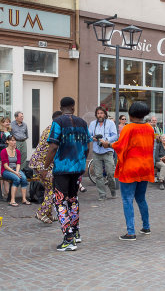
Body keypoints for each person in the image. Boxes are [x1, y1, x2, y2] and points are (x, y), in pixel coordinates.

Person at [43, 97, 91, 251]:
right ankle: (76, 232)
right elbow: (87, 145)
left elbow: (53, 147)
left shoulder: (58, 122)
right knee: (73, 199)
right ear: (73, 107)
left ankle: (68, 238)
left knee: (59, 201)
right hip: (77, 168)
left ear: (61, 107)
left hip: (62, 169)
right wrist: (81, 160)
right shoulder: (83, 123)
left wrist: (45, 167)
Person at [101, 102, 154, 241]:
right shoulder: (150, 128)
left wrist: (108, 144)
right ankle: (146, 226)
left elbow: (120, 146)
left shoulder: (128, 128)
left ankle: (131, 231)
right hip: (145, 167)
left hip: (131, 168)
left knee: (127, 199)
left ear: (130, 114)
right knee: (141, 198)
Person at [30, 111, 63, 224]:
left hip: (42, 163)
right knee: (53, 189)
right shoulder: (54, 131)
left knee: (49, 188)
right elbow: (53, 149)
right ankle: (41, 212)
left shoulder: (50, 128)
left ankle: (48, 213)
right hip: (42, 164)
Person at [89, 107, 118, 201]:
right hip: (96, 152)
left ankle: (112, 190)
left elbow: (115, 135)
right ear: (96, 115)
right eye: (98, 113)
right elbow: (88, 135)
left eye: (101, 113)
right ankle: (102, 194)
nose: (100, 115)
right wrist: (92, 138)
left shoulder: (110, 123)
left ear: (105, 114)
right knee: (98, 175)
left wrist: (106, 140)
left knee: (110, 173)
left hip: (108, 151)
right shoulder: (93, 124)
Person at [1, 135, 30, 207]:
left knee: (24, 178)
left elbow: (18, 163)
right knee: (16, 178)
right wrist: (15, 173)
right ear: (7, 141)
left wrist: (17, 171)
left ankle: (24, 199)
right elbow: (5, 166)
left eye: (14, 140)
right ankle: (12, 200)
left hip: (15, 169)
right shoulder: (3, 151)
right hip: (6, 171)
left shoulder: (17, 151)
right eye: (12, 140)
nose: (14, 142)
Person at [0, 117, 11, 199]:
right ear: (2, 123)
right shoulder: (1, 133)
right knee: (1, 174)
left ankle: (7, 192)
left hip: (9, 155)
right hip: (2, 154)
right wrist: (6, 146)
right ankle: (1, 193)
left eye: (8, 122)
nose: (8, 123)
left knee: (6, 173)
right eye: (6, 122)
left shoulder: (10, 132)